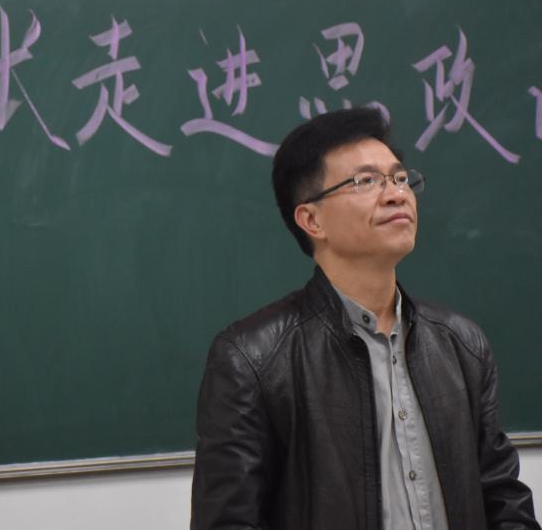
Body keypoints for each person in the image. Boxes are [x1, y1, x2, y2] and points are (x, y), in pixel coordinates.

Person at [191, 108, 538, 530]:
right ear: (311, 220)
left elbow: (504, 500)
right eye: (366, 182)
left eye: (399, 178)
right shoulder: (252, 359)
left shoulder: (462, 344)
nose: (396, 194)